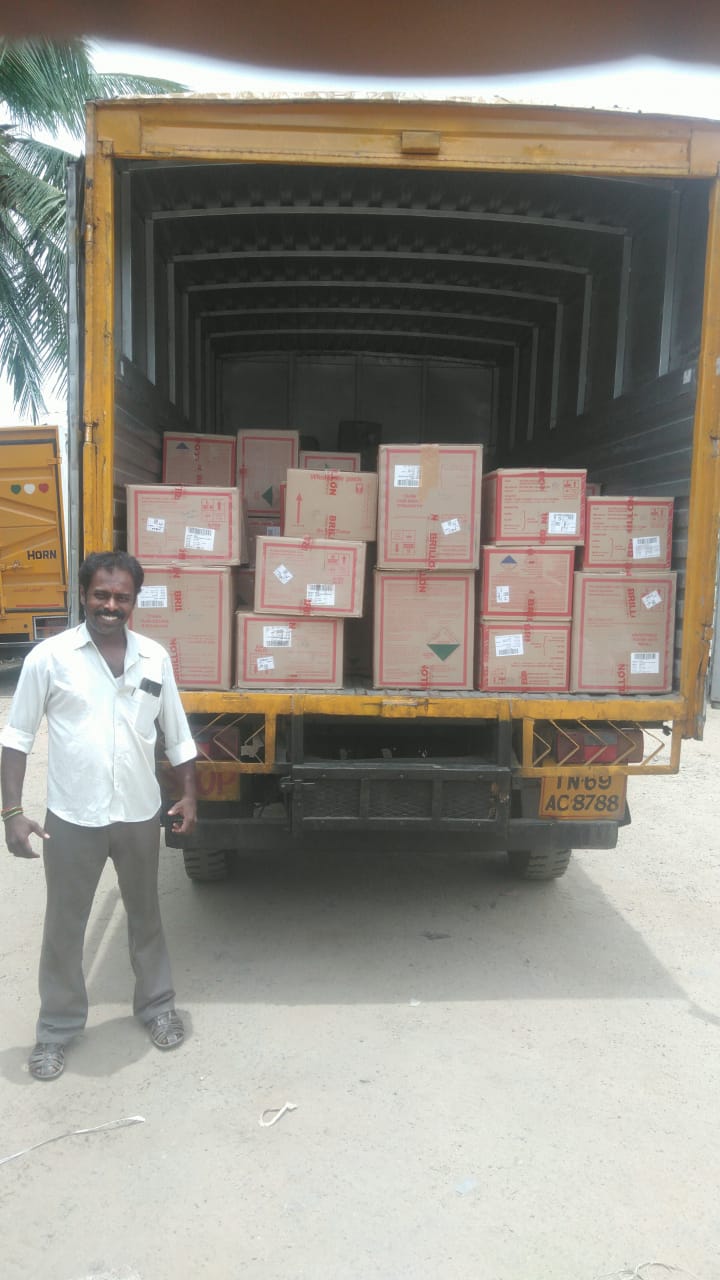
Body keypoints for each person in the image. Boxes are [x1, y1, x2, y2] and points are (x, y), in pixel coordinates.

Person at [0, 550, 197, 1081]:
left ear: (135, 601)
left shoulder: (154, 657)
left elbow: (177, 734)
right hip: (73, 816)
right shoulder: (50, 657)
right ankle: (56, 1029)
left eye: (121, 597)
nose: (111, 605)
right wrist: (12, 811)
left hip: (137, 813)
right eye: (101, 595)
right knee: (65, 926)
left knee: (145, 916)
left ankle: (157, 1006)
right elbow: (16, 737)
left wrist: (190, 794)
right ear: (84, 595)